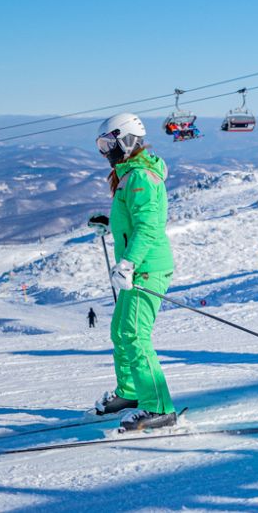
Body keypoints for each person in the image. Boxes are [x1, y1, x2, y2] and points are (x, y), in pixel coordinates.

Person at [92, 112, 178, 432]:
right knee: (120, 331)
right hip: (134, 267)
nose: (105, 152)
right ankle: (130, 392)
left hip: (144, 268)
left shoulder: (141, 176)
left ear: (127, 140)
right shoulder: (128, 173)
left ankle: (158, 407)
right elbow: (131, 220)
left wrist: (129, 263)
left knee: (136, 336)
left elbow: (148, 227)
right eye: (101, 145)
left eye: (108, 143)